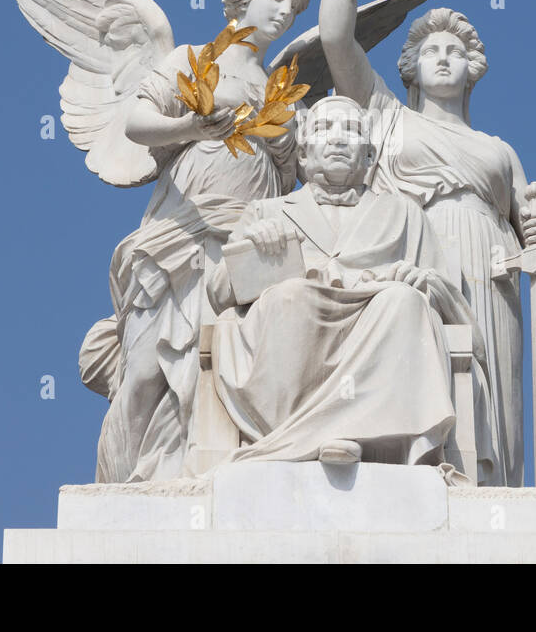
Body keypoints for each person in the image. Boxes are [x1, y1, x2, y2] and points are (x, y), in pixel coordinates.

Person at [317, 0, 536, 486]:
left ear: (473, 67)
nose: (444, 58)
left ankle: (487, 490)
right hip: (414, 249)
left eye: (454, 51)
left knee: (491, 384)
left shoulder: (499, 150)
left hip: (490, 266)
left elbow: (530, 227)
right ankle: (418, 469)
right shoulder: (387, 116)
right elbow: (334, 34)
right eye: (431, 50)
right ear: (410, 66)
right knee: (420, 357)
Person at [82, 0, 311, 483]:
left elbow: (301, 173)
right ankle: (114, 491)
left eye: (294, 6)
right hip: (181, 227)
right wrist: (191, 126)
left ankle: (203, 477)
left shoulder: (282, 86)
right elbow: (135, 125)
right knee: (143, 371)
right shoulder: (191, 60)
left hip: (250, 236)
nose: (284, 11)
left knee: (226, 365)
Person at [205, 97, 496, 477]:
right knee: (291, 297)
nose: (339, 140)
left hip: (376, 311)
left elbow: (444, 288)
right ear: (304, 155)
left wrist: (422, 282)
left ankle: (354, 433)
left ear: (369, 156)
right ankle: (303, 435)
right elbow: (219, 291)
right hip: (298, 312)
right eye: (325, 130)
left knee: (404, 302)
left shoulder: (405, 212)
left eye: (351, 131)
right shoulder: (269, 211)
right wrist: (256, 247)